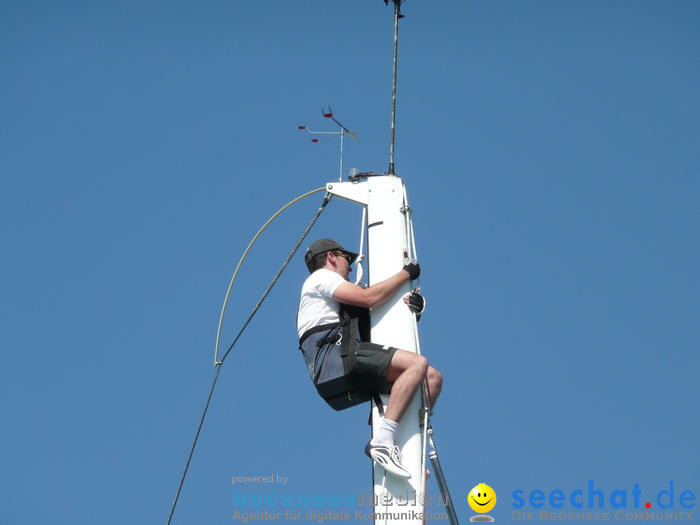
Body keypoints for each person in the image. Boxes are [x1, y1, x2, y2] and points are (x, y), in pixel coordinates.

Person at [297, 238, 443, 479]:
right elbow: (370, 298)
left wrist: (411, 310)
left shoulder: (335, 302)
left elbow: (373, 316)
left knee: (431, 378)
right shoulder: (321, 278)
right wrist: (405, 274)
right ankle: (383, 441)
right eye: (347, 258)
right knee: (417, 363)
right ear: (331, 257)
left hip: (339, 366)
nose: (351, 266)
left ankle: (407, 450)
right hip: (336, 359)